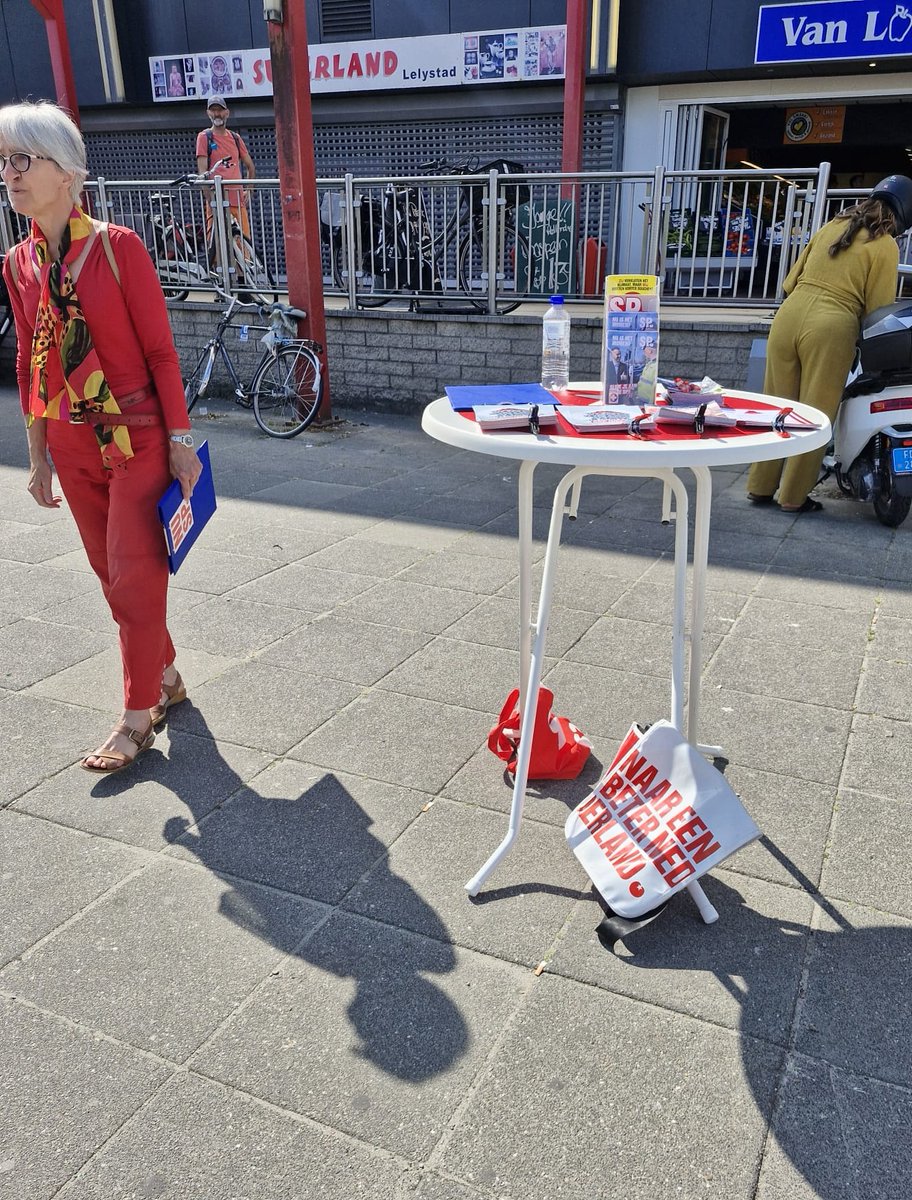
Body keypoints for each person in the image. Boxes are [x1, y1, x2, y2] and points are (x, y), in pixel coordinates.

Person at [0, 100, 202, 773]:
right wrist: (36, 457)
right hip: (69, 442)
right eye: (4, 161)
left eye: (23, 159)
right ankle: (166, 675)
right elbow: (30, 362)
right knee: (111, 577)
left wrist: (179, 438)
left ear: (66, 172)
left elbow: (163, 354)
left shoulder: (118, 250)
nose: (10, 173)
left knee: (132, 575)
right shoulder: (19, 264)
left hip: (136, 438)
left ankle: (138, 714)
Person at [746, 175, 912, 513]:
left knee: (780, 407)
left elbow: (790, 280)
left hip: (788, 318)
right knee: (815, 415)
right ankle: (792, 497)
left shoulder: (832, 225)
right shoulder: (885, 245)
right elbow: (877, 311)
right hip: (831, 327)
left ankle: (760, 486)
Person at [195, 98, 256, 240]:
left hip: (237, 200)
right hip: (216, 200)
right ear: (208, 113)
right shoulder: (204, 137)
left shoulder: (235, 138)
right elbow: (202, 173)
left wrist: (249, 190)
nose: (217, 114)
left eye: (220, 110)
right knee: (218, 247)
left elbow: (250, 166)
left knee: (243, 246)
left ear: (227, 113)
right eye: (213, 110)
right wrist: (211, 201)